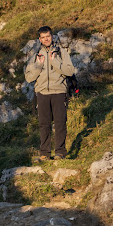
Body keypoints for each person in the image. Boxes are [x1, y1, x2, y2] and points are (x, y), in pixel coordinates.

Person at [24, 26, 75, 162]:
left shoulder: (61, 52)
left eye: (48, 36)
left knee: (60, 123)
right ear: (39, 39)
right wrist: (38, 65)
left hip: (58, 91)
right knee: (44, 124)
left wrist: (55, 62)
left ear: (52, 36)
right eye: (43, 37)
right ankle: (45, 154)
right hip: (42, 93)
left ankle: (60, 152)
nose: (46, 39)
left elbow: (70, 71)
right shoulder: (35, 55)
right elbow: (29, 78)